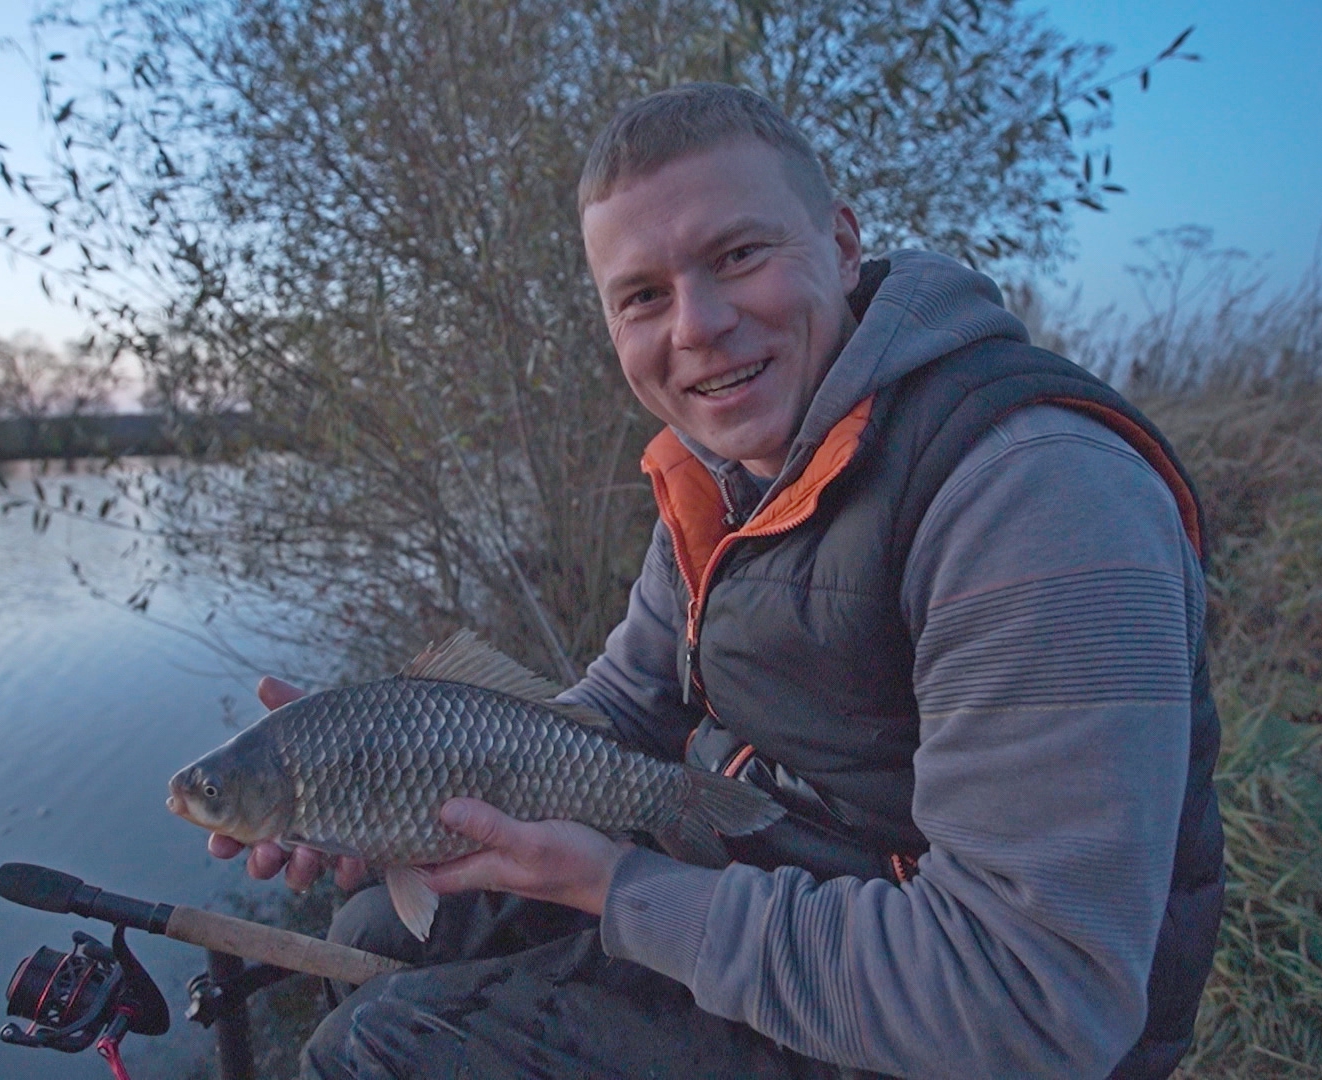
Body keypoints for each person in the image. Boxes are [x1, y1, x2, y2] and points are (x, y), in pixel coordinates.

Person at [204, 83, 1223, 1079]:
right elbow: (621, 707)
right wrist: (406, 776)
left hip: (950, 1010)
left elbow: (1032, 1007)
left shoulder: (1037, 494)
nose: (695, 326)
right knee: (378, 930)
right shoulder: (726, 471)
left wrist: (622, 889)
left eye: (738, 256)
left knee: (375, 1050)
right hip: (779, 870)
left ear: (842, 244)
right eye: (643, 296)